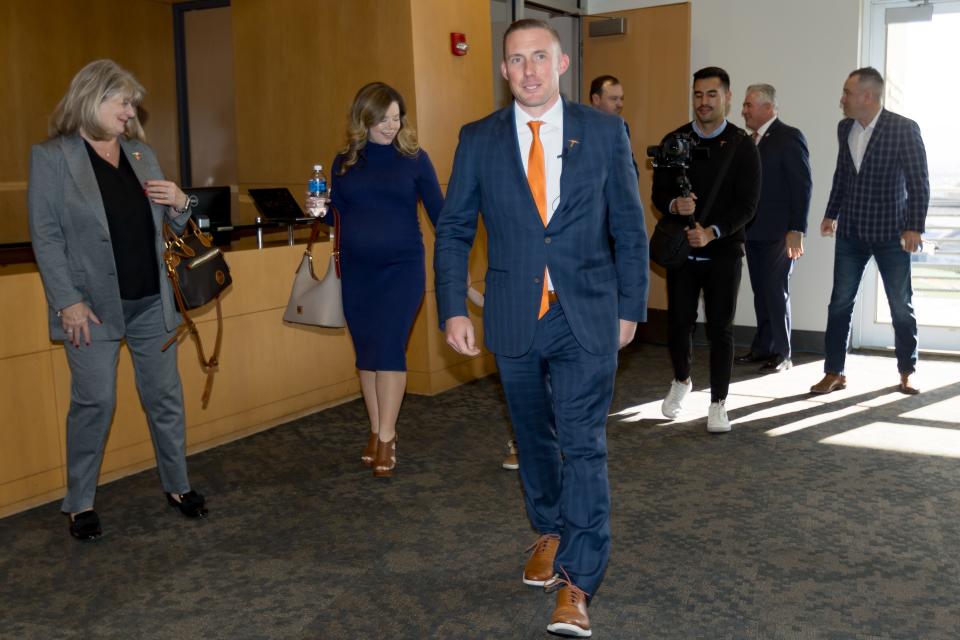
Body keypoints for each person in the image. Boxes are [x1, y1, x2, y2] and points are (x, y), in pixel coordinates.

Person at [434, 19, 648, 637]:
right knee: (532, 439)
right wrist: (453, 306)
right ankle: (551, 530)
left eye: (539, 57)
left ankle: (579, 582)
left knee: (583, 445)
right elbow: (453, 230)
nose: (528, 69)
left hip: (588, 310)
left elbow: (629, 229)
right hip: (512, 313)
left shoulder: (604, 133)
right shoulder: (478, 139)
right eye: (516, 60)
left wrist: (630, 308)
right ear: (504, 70)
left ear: (560, 65)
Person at [27, 59, 207, 541]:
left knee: (164, 397)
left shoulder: (141, 155)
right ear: (93, 98)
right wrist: (66, 302)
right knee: (95, 402)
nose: (131, 112)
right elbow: (45, 237)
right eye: (123, 102)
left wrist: (180, 202)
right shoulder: (52, 158)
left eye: (131, 104)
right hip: (90, 308)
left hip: (152, 300)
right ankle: (79, 502)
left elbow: (174, 229)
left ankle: (178, 485)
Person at [322, 82, 443, 477]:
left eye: (397, 117)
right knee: (367, 353)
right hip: (357, 270)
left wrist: (454, 262)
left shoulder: (415, 159)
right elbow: (335, 217)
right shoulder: (345, 162)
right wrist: (317, 210)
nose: (391, 126)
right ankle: (375, 431)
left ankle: (388, 438)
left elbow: (441, 215)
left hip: (402, 269)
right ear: (364, 119)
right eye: (383, 119)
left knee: (390, 347)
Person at [651, 66, 761, 433]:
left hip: (724, 252)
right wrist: (673, 208)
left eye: (712, 94)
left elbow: (748, 204)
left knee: (720, 329)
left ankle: (718, 403)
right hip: (682, 251)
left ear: (727, 98)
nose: (704, 102)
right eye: (698, 94)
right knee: (679, 324)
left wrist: (713, 232)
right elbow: (658, 194)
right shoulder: (675, 140)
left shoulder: (743, 146)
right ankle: (682, 380)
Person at [811, 67, 929, 396]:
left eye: (847, 93)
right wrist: (831, 213)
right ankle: (834, 371)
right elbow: (843, 174)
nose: (842, 99)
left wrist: (914, 227)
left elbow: (919, 182)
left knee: (900, 306)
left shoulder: (904, 128)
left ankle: (908, 371)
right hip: (851, 231)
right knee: (839, 303)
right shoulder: (844, 127)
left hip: (892, 233)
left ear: (867, 96)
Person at [735, 84, 812, 373]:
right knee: (761, 292)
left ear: (768, 107)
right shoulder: (748, 140)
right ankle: (762, 347)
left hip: (780, 234)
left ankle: (783, 352)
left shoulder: (789, 137)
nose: (743, 111)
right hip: (752, 231)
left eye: (748, 105)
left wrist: (797, 228)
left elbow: (802, 186)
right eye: (744, 105)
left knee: (776, 292)